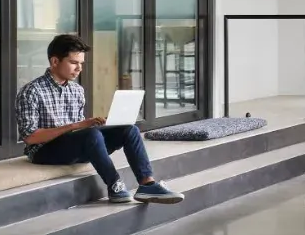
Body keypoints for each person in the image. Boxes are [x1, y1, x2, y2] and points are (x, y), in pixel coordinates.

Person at [17, 34, 184, 205]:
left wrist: (103, 124)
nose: (79, 68)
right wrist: (76, 126)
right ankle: (115, 185)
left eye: (81, 63)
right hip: (44, 151)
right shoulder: (31, 91)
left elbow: (79, 132)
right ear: (54, 61)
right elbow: (30, 137)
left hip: (73, 146)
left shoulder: (76, 90)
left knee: (129, 129)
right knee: (92, 135)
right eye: (74, 63)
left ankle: (147, 184)